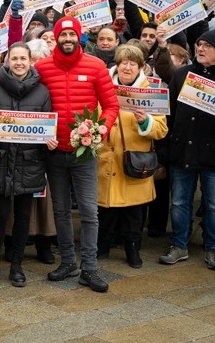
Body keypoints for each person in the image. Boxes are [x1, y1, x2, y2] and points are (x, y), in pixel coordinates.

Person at [35, 16, 119, 292]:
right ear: (56, 38)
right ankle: (69, 261)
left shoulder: (96, 66)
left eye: (72, 34)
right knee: (60, 210)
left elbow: (110, 107)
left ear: (79, 37)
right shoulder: (43, 68)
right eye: (63, 34)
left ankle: (90, 268)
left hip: (85, 151)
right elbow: (33, 104)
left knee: (88, 211)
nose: (68, 39)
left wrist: (99, 130)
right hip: (54, 150)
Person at [160, 30, 215, 270]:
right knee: (179, 202)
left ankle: (214, 247)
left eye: (207, 45)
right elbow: (170, 113)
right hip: (182, 151)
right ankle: (178, 245)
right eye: (199, 44)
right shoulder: (182, 75)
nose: (201, 48)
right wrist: (166, 147)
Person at [0, 42, 56, 287]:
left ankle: (17, 266)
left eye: (23, 58)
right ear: (7, 61)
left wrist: (49, 141)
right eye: (14, 59)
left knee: (24, 217)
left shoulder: (42, 92)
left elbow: (47, 125)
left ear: (30, 61)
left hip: (30, 163)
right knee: (0, 217)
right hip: (1, 161)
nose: (19, 63)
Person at [96, 45, 168, 268]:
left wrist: (145, 121)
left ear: (141, 67)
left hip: (134, 161)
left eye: (132, 63)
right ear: (117, 65)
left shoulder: (150, 91)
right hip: (106, 159)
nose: (127, 67)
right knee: (105, 210)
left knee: (134, 213)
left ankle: (132, 250)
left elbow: (161, 129)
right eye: (123, 62)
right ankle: (102, 246)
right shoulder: (103, 85)